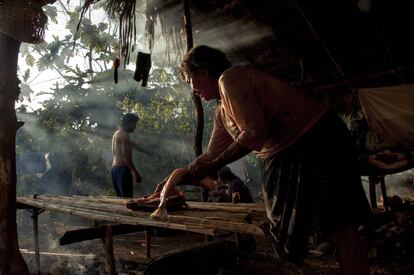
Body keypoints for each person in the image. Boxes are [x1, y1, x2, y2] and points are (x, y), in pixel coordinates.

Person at [157, 45, 371, 274]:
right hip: (290, 151)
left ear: (203, 70)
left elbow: (255, 134)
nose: (193, 89)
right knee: (292, 237)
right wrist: (176, 178)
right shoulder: (222, 110)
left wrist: (212, 165)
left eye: (190, 80)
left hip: (316, 139)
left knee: (340, 227)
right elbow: (211, 155)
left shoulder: (230, 79)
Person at [111, 113, 148, 197]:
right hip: (122, 170)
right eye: (134, 124)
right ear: (130, 123)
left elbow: (133, 144)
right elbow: (126, 156)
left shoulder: (117, 133)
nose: (135, 127)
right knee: (126, 199)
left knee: (121, 199)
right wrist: (136, 173)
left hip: (114, 170)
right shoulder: (125, 135)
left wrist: (147, 152)